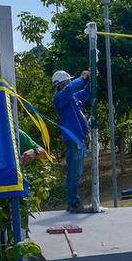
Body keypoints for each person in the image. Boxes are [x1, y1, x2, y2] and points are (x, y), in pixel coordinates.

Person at [0, 129, 50, 261]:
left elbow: (44, 153)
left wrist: (34, 151)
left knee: (18, 239)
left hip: (15, 195)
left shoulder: (14, 131)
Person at [53, 69, 91, 213]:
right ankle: (73, 202)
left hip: (79, 138)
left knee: (77, 170)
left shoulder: (73, 97)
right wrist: (82, 78)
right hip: (73, 138)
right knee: (74, 171)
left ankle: (73, 201)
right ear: (62, 85)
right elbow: (71, 88)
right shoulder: (60, 98)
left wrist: (91, 80)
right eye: (68, 81)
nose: (70, 84)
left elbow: (87, 93)